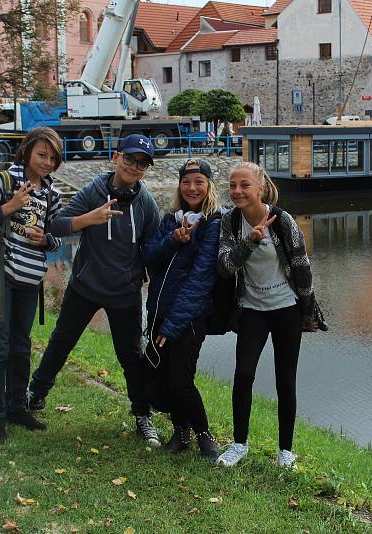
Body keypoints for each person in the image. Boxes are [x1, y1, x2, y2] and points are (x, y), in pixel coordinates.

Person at [27, 134, 162, 447]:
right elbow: (56, 225)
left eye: (141, 163)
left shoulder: (146, 202)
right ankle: (36, 395)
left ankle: (143, 416)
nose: (134, 166)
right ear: (116, 157)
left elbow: (153, 247)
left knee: (131, 356)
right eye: (129, 158)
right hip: (85, 286)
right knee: (61, 342)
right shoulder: (95, 190)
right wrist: (91, 218)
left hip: (124, 292)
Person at [215, 161, 320, 468]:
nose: (237, 191)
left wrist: (309, 311)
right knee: (243, 374)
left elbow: (302, 268)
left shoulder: (282, 220)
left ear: (260, 188)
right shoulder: (231, 222)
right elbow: (225, 267)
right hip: (252, 310)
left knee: (285, 381)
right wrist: (249, 242)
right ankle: (239, 444)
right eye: (233, 185)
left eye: (244, 185)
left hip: (286, 308)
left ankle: (285, 451)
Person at [0, 126, 64, 444]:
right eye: (41, 155)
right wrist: (8, 207)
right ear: (26, 152)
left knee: (21, 347)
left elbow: (59, 236)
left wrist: (46, 239)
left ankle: (17, 407)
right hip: (0, 275)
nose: (47, 162)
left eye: (53, 157)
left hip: (30, 279)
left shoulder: (52, 195)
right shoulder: (4, 181)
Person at [142, 159, 221, 461]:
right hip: (159, 315)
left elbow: (201, 279)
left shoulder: (213, 223)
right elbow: (150, 257)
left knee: (181, 380)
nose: (192, 188)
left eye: (199, 181)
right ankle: (180, 431)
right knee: (160, 380)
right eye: (187, 182)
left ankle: (204, 434)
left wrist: (172, 325)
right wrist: (173, 240)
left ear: (209, 185)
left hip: (187, 320)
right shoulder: (171, 220)